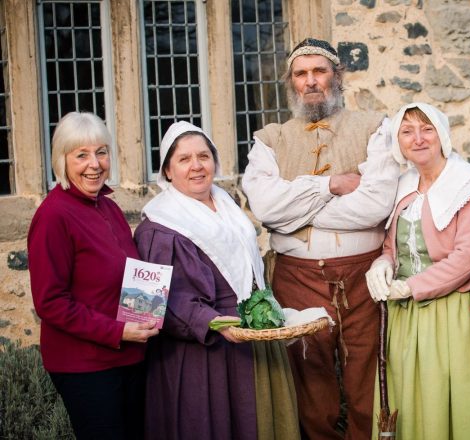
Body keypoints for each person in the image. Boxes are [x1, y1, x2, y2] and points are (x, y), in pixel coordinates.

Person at [242, 38, 400, 439]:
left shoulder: (374, 127)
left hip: (363, 278)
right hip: (297, 278)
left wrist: (295, 208)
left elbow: (376, 204)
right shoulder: (270, 139)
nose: (311, 81)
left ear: (337, 76)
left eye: (319, 71)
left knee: (369, 377)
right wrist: (330, 184)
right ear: (291, 82)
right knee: (310, 384)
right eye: (301, 74)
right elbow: (266, 208)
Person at [365, 103, 470, 440]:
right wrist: (383, 264)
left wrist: (410, 287)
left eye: (427, 129)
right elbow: (394, 246)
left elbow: (467, 255)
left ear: (442, 135)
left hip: (453, 316)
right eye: (407, 131)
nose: (418, 139)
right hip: (406, 320)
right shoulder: (403, 185)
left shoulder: (468, 183)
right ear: (398, 141)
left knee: (461, 405)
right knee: (412, 404)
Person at [134, 121, 299, 440]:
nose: (196, 166)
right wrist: (213, 322)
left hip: (247, 338)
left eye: (203, 156)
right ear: (168, 170)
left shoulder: (227, 205)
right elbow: (153, 304)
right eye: (184, 159)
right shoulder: (157, 226)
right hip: (201, 352)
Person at [27, 112, 159, 440]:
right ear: (62, 161)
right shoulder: (53, 216)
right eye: (81, 155)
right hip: (85, 365)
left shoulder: (108, 207)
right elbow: (51, 303)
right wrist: (119, 330)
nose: (94, 164)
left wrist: (148, 311)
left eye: (101, 152)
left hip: (127, 355)